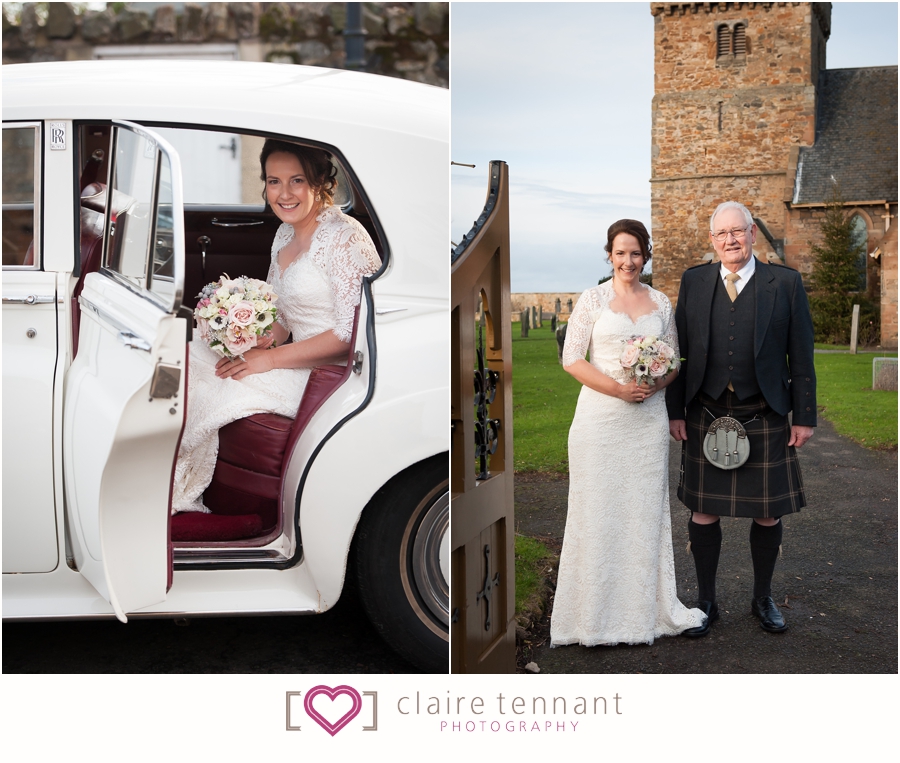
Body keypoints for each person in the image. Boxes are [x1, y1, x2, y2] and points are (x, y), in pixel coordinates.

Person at [172, 139, 381, 514]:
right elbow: (283, 316)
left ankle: (185, 491)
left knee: (219, 383)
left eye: (296, 180)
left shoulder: (345, 237)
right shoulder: (284, 233)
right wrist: (246, 338)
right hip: (291, 355)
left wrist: (268, 360)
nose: (283, 194)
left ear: (320, 182)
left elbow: (352, 333)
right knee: (189, 354)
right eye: (273, 181)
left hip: (329, 374)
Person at [550, 219, 707, 647]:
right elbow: (572, 359)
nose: (628, 261)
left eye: (635, 253)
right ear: (609, 255)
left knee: (642, 514)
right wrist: (619, 389)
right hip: (600, 420)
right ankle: (592, 618)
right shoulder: (592, 299)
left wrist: (654, 383)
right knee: (597, 511)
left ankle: (644, 612)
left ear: (646, 255)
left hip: (646, 423)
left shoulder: (660, 302)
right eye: (620, 253)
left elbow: (674, 361)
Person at [666, 200, 815, 636]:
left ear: (752, 234)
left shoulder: (784, 283)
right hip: (705, 410)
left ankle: (763, 597)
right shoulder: (694, 281)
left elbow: (801, 355)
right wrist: (676, 411)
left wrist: (803, 416)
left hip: (764, 412)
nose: (730, 239)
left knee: (767, 512)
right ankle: (706, 601)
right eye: (722, 234)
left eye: (738, 231)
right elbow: (680, 351)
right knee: (703, 510)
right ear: (712, 241)